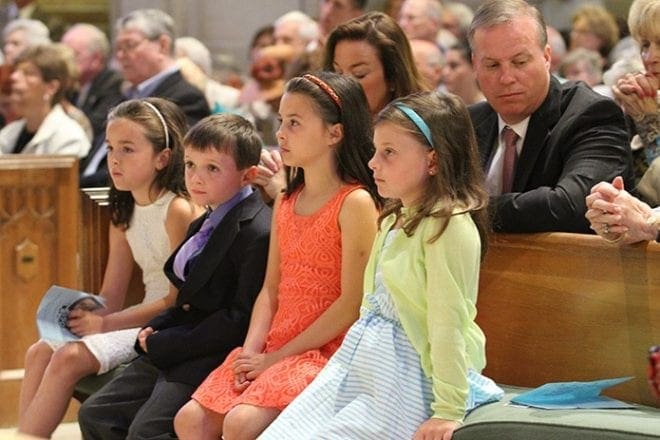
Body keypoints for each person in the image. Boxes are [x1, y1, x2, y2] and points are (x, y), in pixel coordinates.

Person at [260, 91, 503, 439]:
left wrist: (448, 410)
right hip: (362, 364)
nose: (373, 163)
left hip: (408, 374)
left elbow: (446, 323)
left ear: (433, 161)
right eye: (375, 150)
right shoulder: (393, 218)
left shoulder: (448, 226)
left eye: (389, 152)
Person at [173, 72, 381, 440]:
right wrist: (251, 352)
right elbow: (270, 290)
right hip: (272, 345)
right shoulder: (286, 200)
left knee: (240, 423)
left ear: (335, 133)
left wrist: (276, 358)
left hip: (324, 349)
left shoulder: (355, 202)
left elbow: (352, 303)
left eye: (295, 123)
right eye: (281, 121)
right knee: (189, 420)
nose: (281, 133)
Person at [78, 113, 272, 439]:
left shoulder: (256, 229)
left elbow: (238, 319)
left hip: (209, 353)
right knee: (96, 414)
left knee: (147, 430)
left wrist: (166, 341)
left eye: (212, 168)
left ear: (248, 175)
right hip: (175, 342)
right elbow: (184, 299)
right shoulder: (204, 221)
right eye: (191, 165)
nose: (196, 177)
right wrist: (157, 326)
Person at [16, 97, 200, 438]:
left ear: (163, 157)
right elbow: (111, 294)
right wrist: (79, 311)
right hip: (133, 315)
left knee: (69, 358)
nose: (114, 159)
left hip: (165, 324)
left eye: (128, 149)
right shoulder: (124, 211)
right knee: (39, 351)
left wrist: (104, 323)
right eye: (111, 147)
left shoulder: (177, 209)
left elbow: (176, 301)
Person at [467, 0, 632, 233]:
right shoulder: (467, 124)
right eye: (492, 65)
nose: (506, 78)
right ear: (475, 65)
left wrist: (464, 212)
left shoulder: (591, 114)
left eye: (520, 62)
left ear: (546, 58)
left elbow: (569, 207)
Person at [256, 11, 427, 202]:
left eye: (359, 74)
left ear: (393, 76)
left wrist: (283, 195)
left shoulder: (417, 135)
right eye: (336, 72)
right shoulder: (325, 128)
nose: (343, 84)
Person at [80, 8, 210, 187]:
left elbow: (160, 168)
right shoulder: (121, 93)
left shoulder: (185, 98)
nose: (120, 55)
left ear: (163, 45)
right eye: (118, 48)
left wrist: (78, 184)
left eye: (130, 45)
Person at [0, 44, 90, 156]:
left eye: (28, 73)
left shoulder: (69, 138)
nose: (14, 77)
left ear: (51, 87)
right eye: (16, 71)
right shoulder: (8, 133)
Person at [611, 0, 659, 196]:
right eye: (645, 45)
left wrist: (649, 123)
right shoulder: (645, 100)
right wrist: (624, 115)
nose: (649, 57)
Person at [60, 23, 124, 143]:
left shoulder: (114, 85)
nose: (65, 63)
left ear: (96, 59)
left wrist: (59, 101)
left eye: (73, 55)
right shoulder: (72, 86)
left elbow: (94, 129)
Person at [443, 41, 485, 105]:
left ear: (475, 68)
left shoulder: (489, 107)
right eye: (444, 65)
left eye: (454, 66)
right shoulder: (443, 107)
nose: (445, 72)